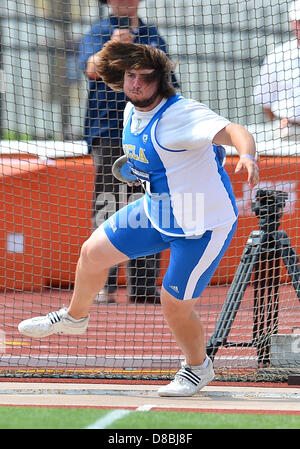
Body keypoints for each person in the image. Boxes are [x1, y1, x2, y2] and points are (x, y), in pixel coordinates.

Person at [18, 41, 259, 397]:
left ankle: (198, 368)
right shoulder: (131, 111)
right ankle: (74, 318)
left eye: (145, 78)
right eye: (131, 76)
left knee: (174, 305)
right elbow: (161, 158)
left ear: (160, 81)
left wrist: (248, 156)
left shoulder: (181, 114)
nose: (136, 84)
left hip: (200, 222)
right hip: (157, 209)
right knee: (92, 253)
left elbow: (235, 130)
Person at [78, 0, 178, 303]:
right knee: (108, 203)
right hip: (107, 131)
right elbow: (90, 68)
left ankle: (144, 288)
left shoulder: (152, 35)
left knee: (147, 204)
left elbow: (168, 81)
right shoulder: (99, 32)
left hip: (146, 131)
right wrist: (113, 45)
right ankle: (102, 285)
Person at [253, 0, 300, 140]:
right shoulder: (278, 56)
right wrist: (278, 121)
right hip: (289, 132)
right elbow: (264, 99)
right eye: (299, 22)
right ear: (292, 22)